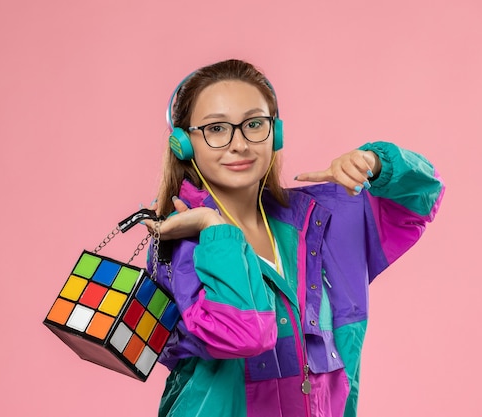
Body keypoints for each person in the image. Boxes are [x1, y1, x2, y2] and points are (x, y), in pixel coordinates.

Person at [144, 59, 444, 417]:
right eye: (217, 129)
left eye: (254, 124)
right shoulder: (182, 244)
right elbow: (245, 334)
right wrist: (215, 227)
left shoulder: (324, 217)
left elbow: (423, 196)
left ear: (276, 133)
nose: (239, 144)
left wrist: (375, 164)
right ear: (183, 144)